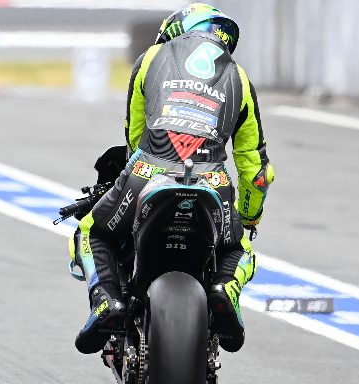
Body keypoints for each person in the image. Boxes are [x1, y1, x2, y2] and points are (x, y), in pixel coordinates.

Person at [68, 3, 274, 355]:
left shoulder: (150, 59)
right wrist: (249, 217)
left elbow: (135, 137)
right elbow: (256, 172)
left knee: (91, 231)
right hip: (212, 182)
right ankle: (225, 289)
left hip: (149, 172)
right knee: (239, 249)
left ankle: (106, 301)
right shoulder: (240, 77)